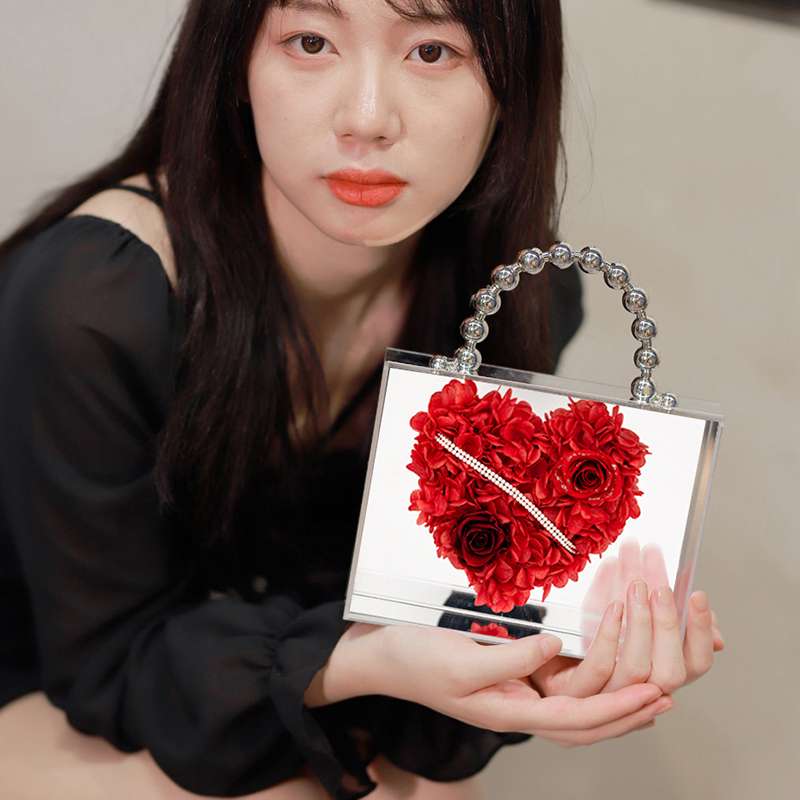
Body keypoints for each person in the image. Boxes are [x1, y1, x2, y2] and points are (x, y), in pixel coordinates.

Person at [0, 1, 725, 798]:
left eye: (433, 51)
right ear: (234, 64)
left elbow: (428, 616)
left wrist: (542, 659)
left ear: (512, 85)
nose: (368, 119)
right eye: (310, 42)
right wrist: (358, 661)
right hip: (71, 678)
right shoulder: (96, 297)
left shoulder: (517, 296)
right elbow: (107, 662)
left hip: (285, 681)